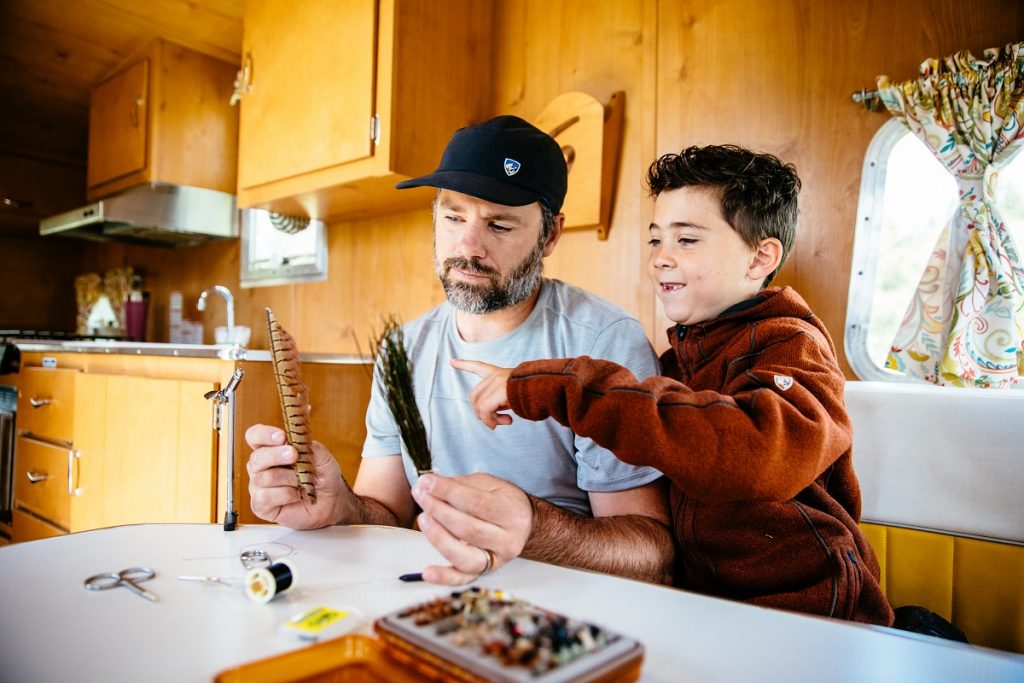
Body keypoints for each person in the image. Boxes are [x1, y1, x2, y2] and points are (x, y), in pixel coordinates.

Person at [453, 144, 895, 625]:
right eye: (655, 240)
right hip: (710, 611)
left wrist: (558, 386)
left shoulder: (793, 348)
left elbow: (751, 455)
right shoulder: (675, 361)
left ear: (760, 257)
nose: (661, 259)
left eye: (686, 241)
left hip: (815, 611)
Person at [246, 115, 674, 586]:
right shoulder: (403, 350)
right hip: (434, 599)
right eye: (453, 217)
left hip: (564, 615)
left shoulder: (603, 343)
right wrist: (339, 506)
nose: (468, 246)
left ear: (549, 236)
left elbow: (649, 554)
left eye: (500, 225)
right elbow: (386, 512)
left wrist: (530, 527)